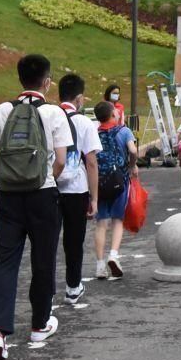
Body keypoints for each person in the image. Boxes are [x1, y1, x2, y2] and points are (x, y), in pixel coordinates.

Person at [0, 53, 73, 360]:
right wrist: (44, 175)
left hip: (8, 195)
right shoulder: (54, 113)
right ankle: (39, 324)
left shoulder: (2, 110)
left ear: (20, 79)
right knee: (43, 259)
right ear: (47, 82)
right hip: (42, 194)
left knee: (5, 261)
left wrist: (14, 172)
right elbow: (61, 160)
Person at [53, 73, 101, 307]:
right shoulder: (85, 123)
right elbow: (91, 162)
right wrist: (94, 197)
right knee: (74, 241)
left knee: (47, 240)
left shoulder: (48, 116)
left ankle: (46, 290)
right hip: (76, 189)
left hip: (49, 186)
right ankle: (73, 287)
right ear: (79, 98)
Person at [90, 97, 138, 279]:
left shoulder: (94, 133)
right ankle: (113, 255)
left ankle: (99, 265)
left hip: (100, 182)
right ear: (112, 114)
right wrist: (132, 165)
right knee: (118, 220)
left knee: (101, 223)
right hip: (119, 180)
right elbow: (133, 151)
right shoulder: (124, 131)